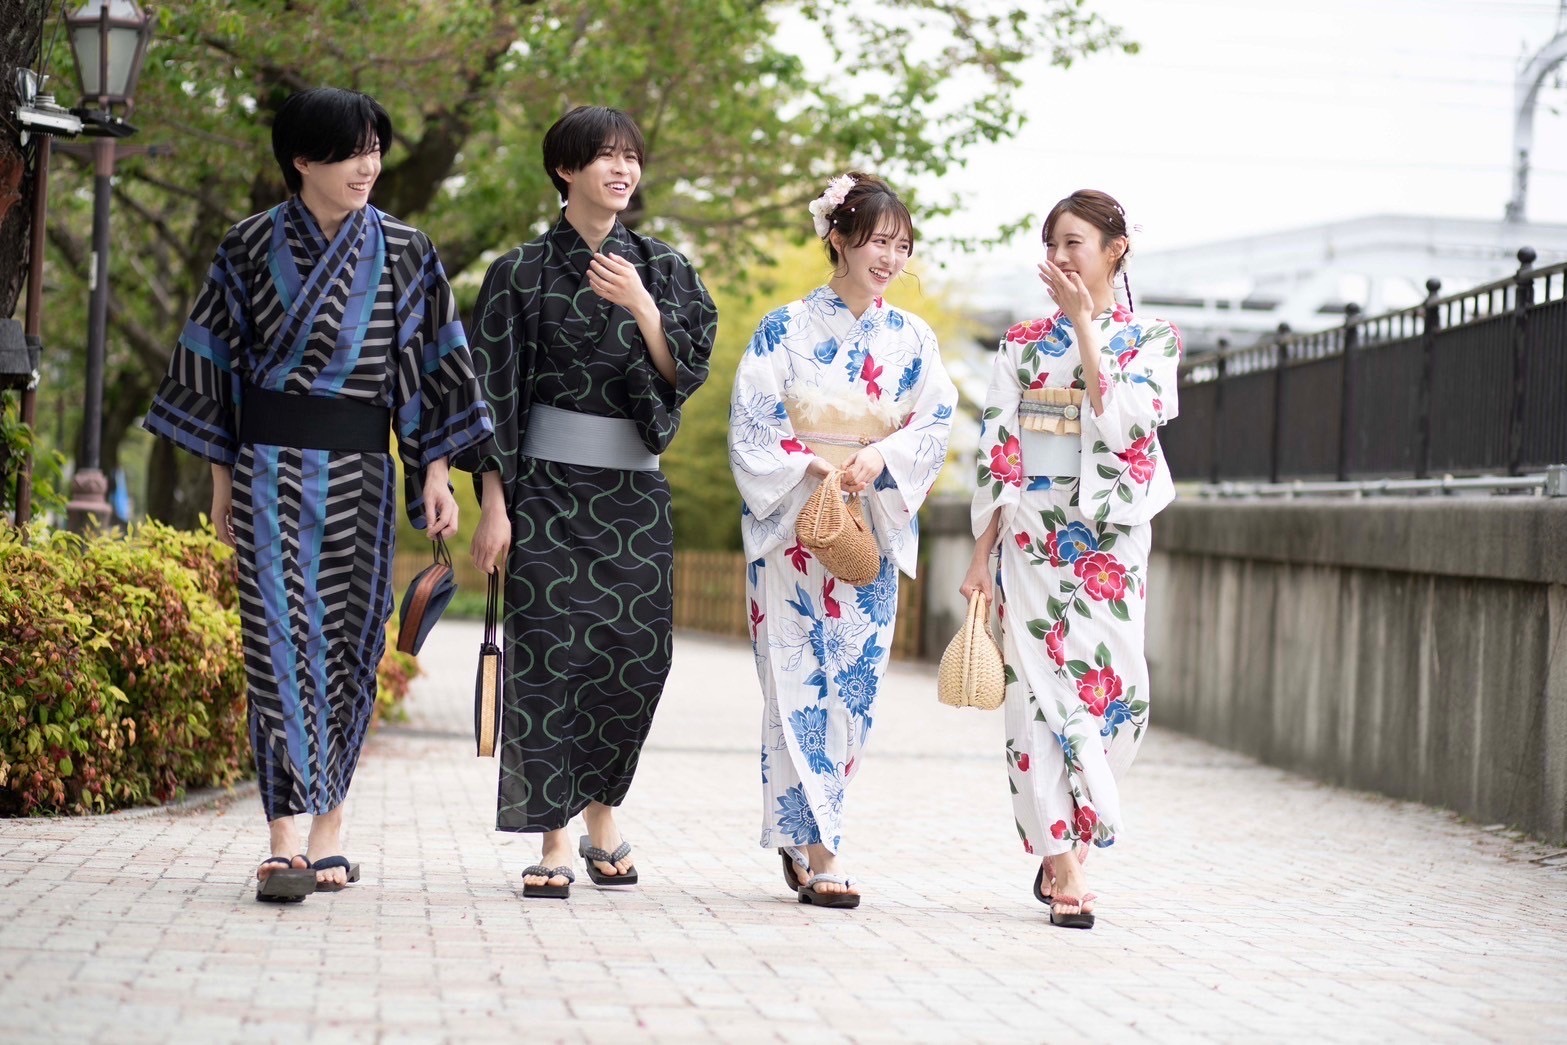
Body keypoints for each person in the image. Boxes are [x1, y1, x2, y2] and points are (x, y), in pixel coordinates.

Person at [143, 87, 494, 902]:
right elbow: (215, 373)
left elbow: (434, 370)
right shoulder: (244, 246)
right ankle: (283, 838)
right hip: (267, 469)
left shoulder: (407, 251)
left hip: (361, 475)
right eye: (349, 151)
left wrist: (437, 474)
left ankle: (331, 828)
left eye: (376, 148)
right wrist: (221, 482)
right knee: (275, 645)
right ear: (302, 160)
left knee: (346, 646)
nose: (368, 165)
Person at [457, 105, 716, 899]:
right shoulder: (518, 273)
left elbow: (685, 371)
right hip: (543, 494)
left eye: (631, 156)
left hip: (633, 496)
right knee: (548, 660)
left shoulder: (666, 269)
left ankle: (605, 807)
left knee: (636, 658)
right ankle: (557, 838)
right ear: (564, 169)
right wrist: (493, 507)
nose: (622, 170)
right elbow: (490, 397)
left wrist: (641, 304)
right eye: (604, 156)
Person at [729, 172, 956, 909]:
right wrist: (812, 464)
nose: (888, 257)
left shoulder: (912, 339)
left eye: (900, 245)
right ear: (837, 236)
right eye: (876, 241)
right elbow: (754, 426)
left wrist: (878, 457)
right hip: (798, 526)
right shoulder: (781, 328)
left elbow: (934, 422)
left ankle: (810, 837)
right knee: (794, 685)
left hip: (867, 530)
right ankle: (820, 849)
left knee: (851, 692)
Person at [961, 189, 1181, 929]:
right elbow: (998, 449)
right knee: (1035, 695)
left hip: (1110, 537)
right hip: (1031, 530)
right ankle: (1062, 862)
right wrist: (981, 550)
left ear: (1114, 249)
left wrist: (1086, 326)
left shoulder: (1153, 339)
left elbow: (1122, 427)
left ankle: (1075, 825)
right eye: (1051, 243)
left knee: (1118, 694)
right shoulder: (1020, 342)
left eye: (1073, 243)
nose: (1057, 258)